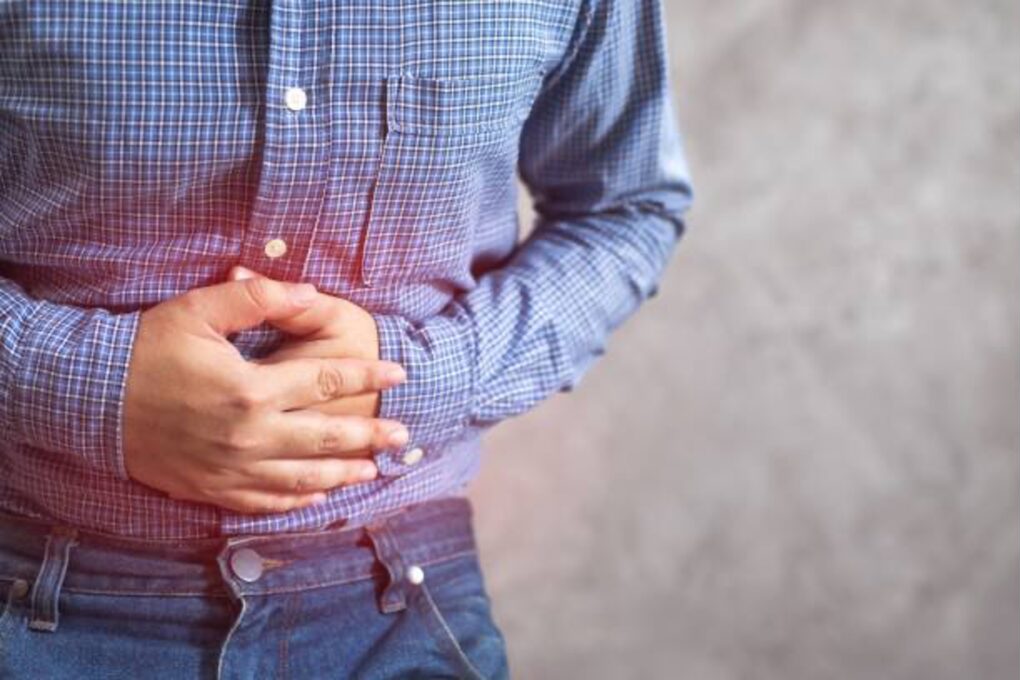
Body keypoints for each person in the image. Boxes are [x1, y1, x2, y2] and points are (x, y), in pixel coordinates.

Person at [0, 0, 692, 677]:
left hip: (397, 604)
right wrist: (83, 387)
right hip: (31, 584)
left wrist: (411, 381)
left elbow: (624, 207)